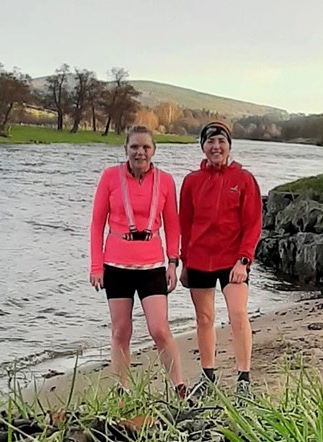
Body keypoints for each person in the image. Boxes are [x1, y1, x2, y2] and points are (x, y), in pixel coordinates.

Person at [89, 125, 186, 399]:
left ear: (153, 150)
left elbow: (173, 225)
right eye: (134, 147)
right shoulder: (110, 177)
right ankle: (122, 390)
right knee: (121, 330)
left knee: (159, 329)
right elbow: (97, 224)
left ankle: (178, 386)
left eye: (145, 147)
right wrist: (96, 266)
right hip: (116, 265)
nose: (140, 152)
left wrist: (172, 262)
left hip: (152, 265)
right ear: (126, 149)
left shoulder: (165, 181)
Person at [179, 121, 262, 399]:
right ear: (203, 147)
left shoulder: (244, 179)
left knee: (238, 314)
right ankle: (208, 375)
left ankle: (243, 379)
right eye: (210, 142)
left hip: (233, 260)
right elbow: (185, 223)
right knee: (204, 318)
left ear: (229, 146)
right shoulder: (192, 181)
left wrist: (244, 260)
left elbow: (253, 224)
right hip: (200, 258)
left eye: (221, 142)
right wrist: (184, 262)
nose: (216, 147)